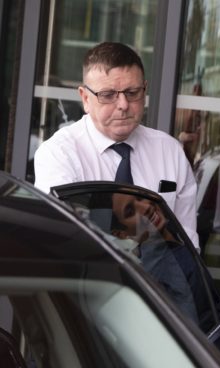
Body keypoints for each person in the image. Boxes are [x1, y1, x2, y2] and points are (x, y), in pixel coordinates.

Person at [34, 41, 199, 249]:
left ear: (145, 91)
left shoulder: (170, 151)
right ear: (85, 98)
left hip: (158, 279)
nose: (123, 105)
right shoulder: (59, 154)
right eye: (108, 95)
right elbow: (62, 239)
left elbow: (187, 242)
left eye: (132, 93)